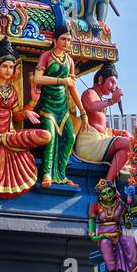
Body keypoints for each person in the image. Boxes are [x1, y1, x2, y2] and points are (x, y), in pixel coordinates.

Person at [0, 42, 49, 200]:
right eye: (5, 66)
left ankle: (3, 139)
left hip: (9, 135)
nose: (8, 70)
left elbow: (17, 115)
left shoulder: (13, 90)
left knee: (46, 135)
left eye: (11, 67)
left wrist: (31, 105)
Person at [32, 30, 86, 188]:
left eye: (69, 40)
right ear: (55, 40)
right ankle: (47, 173)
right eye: (63, 39)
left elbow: (72, 87)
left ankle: (61, 175)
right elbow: (37, 78)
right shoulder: (47, 56)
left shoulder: (69, 60)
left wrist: (82, 112)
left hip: (62, 107)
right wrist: (61, 81)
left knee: (69, 138)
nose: (66, 42)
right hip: (47, 105)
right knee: (51, 137)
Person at [74, 62, 131, 179]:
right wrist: (111, 101)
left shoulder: (100, 100)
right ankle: (107, 183)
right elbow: (90, 106)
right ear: (100, 79)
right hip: (89, 144)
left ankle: (107, 183)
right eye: (112, 81)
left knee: (127, 148)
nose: (114, 86)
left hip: (99, 140)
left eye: (115, 83)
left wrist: (117, 132)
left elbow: (100, 126)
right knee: (129, 144)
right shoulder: (89, 93)